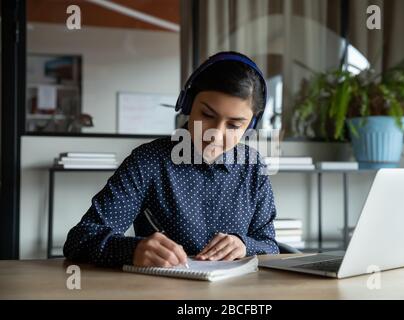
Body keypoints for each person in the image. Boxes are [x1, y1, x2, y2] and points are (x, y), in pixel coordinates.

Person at [63, 51, 279, 268]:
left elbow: (270, 245)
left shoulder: (253, 166)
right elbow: (80, 239)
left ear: (250, 125)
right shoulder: (148, 161)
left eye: (233, 125)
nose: (215, 134)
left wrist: (244, 245)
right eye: (207, 115)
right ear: (187, 104)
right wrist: (133, 250)